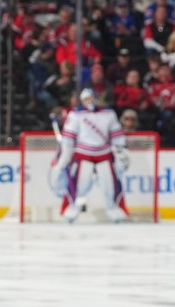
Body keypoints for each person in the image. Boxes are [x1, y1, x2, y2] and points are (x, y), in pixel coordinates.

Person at [51, 88, 129, 223]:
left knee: (110, 185)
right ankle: (72, 209)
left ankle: (114, 210)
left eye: (91, 98)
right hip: (83, 153)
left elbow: (116, 135)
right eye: (86, 99)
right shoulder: (76, 115)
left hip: (104, 153)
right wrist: (65, 156)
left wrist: (120, 151)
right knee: (78, 185)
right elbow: (69, 139)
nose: (89, 101)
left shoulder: (108, 114)